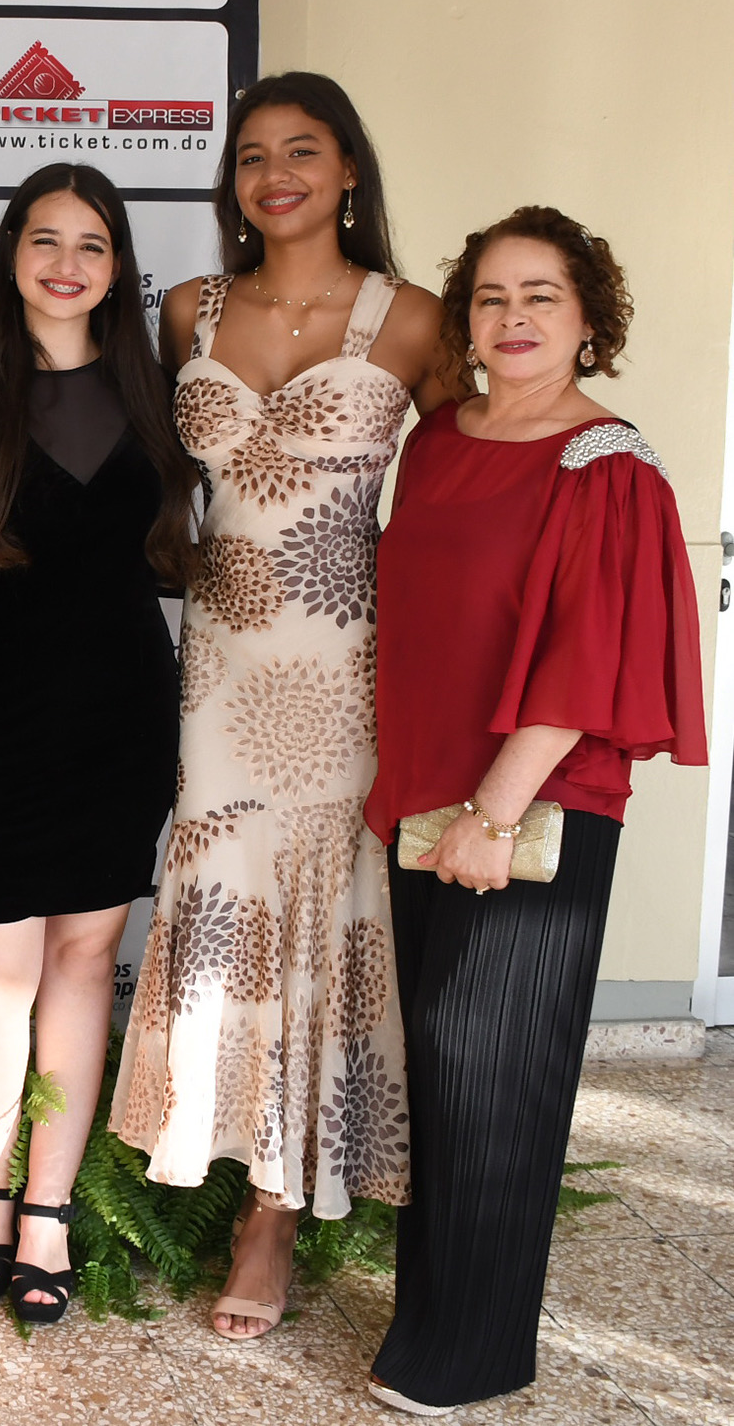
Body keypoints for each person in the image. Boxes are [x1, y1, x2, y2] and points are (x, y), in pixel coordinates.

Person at [110, 72, 455, 1339]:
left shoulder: (411, 318)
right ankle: (218, 1135)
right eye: (251, 155)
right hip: (219, 659)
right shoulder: (188, 310)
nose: (273, 176)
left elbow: (463, 484)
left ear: (347, 168)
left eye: (300, 151)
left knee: (324, 893)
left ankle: (274, 1208)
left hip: (345, 653)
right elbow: (149, 470)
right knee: (226, 886)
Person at [362, 208, 704, 1416]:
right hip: (423, 799)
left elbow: (583, 656)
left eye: (539, 296)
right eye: (490, 296)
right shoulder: (438, 439)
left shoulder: (606, 464)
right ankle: (430, 1319)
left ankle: (474, 1350)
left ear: (587, 320)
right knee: (441, 1063)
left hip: (527, 804)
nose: (511, 318)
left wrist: (492, 812)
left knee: (493, 1066)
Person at [0, 163, 198, 1327]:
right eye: (43, 240)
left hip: (121, 707)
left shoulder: (157, 397)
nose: (64, 263)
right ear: (10, 254)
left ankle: (47, 1211)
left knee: (82, 959)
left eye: (90, 244)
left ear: (116, 268)